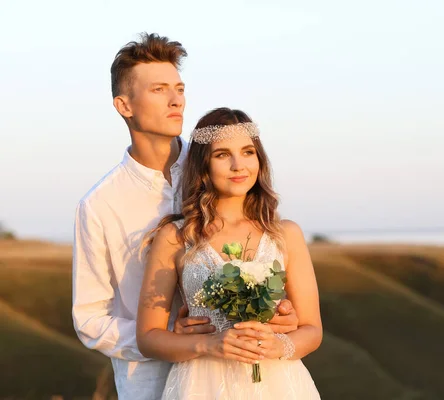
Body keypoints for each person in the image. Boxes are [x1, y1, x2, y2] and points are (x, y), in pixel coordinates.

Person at [71, 33, 298, 400]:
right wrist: (162, 335)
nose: (176, 99)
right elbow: (90, 318)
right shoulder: (99, 205)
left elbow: (264, 247)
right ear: (124, 105)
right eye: (159, 89)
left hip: (247, 377)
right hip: (151, 384)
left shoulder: (221, 163)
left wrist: (281, 311)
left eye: (179, 87)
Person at [136, 107, 322, 399]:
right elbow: (148, 338)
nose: (239, 165)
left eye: (248, 152)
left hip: (276, 383)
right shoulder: (175, 237)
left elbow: (312, 330)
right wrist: (209, 344)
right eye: (222, 155)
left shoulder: (286, 234)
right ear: (203, 165)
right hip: (201, 384)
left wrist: (279, 345)